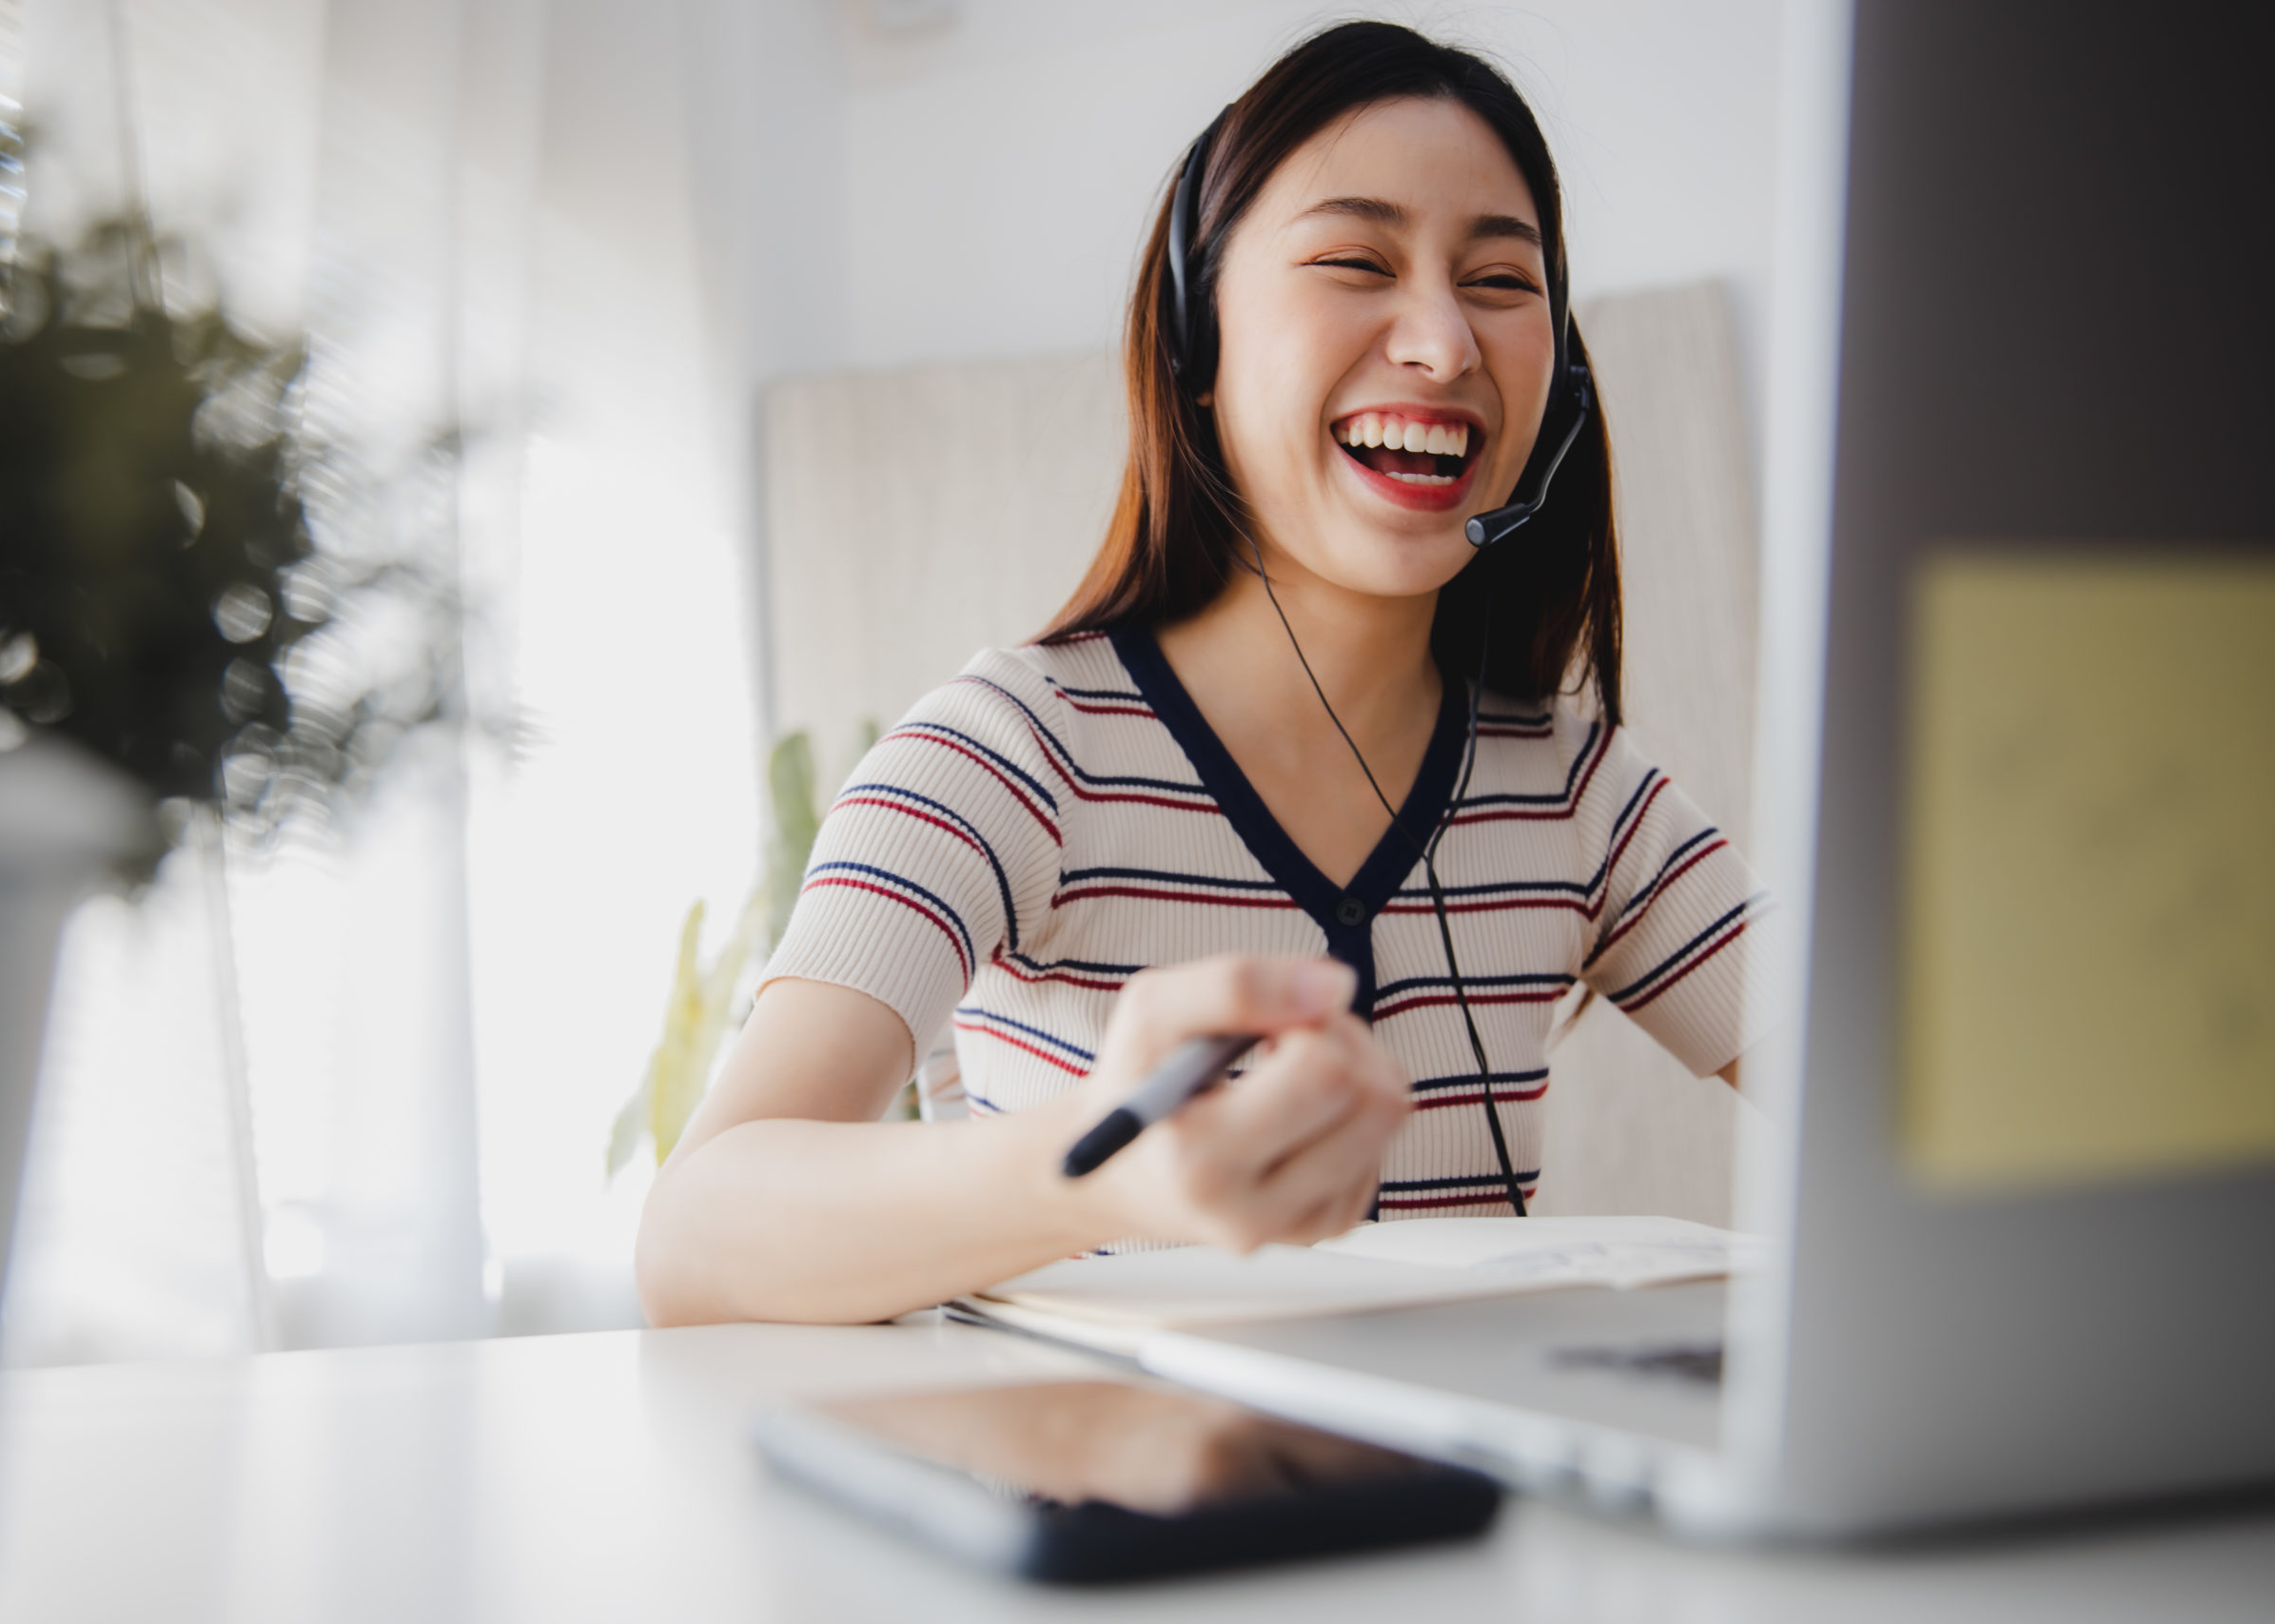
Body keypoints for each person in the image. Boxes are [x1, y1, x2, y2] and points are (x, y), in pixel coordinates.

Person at [636, 21, 1770, 1327]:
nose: (1444, 344)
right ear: (1198, 341)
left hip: (1454, 1530)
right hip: (1107, 1516)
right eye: (1356, 261)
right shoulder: (1009, 752)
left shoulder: (1580, 796)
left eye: (1501, 283)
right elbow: (693, 1235)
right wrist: (1098, 1171)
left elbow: (1915, 1107)